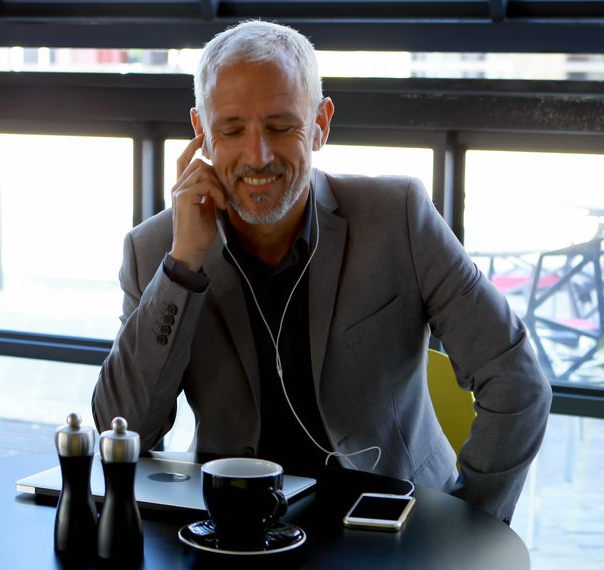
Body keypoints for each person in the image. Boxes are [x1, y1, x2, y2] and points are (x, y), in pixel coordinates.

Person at [92, 20, 551, 523]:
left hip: (392, 526)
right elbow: (123, 427)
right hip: (234, 531)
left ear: (320, 125)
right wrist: (183, 266)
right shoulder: (156, 250)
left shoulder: (399, 216)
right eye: (231, 129)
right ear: (201, 132)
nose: (257, 155)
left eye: (280, 125)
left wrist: (471, 526)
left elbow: (517, 382)